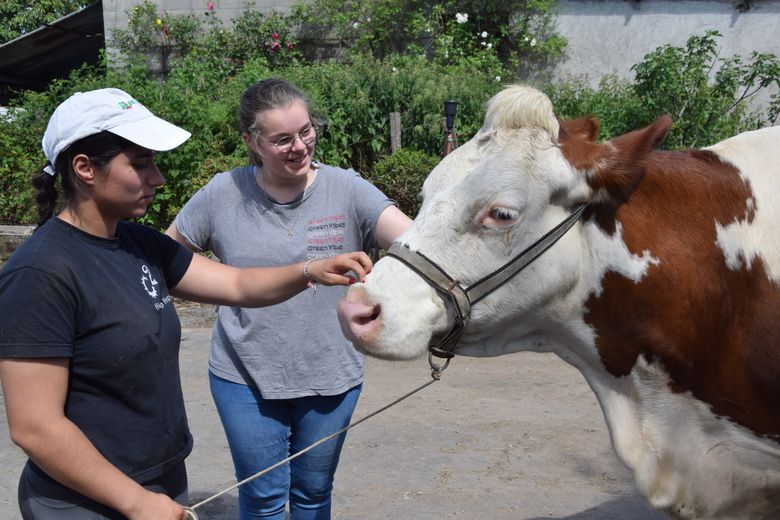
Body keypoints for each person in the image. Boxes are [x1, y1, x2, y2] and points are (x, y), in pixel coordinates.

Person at [0, 87, 373, 520]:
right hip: (84, 503)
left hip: (158, 484)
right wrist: (134, 501)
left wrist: (309, 270)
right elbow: (35, 426)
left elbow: (236, 285)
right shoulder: (41, 274)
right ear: (84, 169)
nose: (157, 178)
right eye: (140, 165)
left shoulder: (139, 243)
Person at [165, 78, 411, 519]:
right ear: (252, 142)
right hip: (244, 376)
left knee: (314, 494)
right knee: (262, 499)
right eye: (282, 139)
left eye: (306, 131)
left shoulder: (347, 189)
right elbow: (167, 262)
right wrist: (220, 288)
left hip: (331, 376)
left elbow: (412, 242)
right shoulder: (223, 193)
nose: (299, 146)